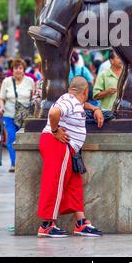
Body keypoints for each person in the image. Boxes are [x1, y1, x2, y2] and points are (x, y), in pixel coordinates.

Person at [37, 76, 103, 238]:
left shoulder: (72, 100)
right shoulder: (70, 101)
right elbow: (54, 112)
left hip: (67, 149)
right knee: (54, 183)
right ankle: (46, 225)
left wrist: (94, 109)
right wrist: (54, 130)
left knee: (74, 184)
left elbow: (77, 105)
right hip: (58, 145)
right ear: (86, 91)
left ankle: (81, 223)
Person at [0, 58, 35, 172]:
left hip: (25, 116)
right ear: (12, 70)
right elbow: (1, 98)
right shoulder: (7, 81)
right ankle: (14, 163)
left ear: (24, 69)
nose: (18, 70)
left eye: (20, 68)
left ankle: (24, 163)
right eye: (15, 68)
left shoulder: (30, 81)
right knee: (12, 138)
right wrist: (1, 107)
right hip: (9, 114)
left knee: (24, 140)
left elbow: (34, 96)